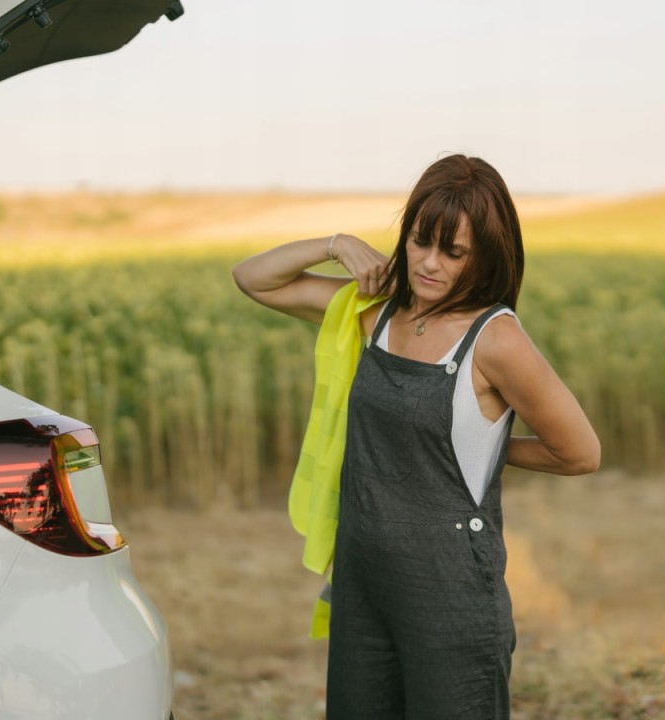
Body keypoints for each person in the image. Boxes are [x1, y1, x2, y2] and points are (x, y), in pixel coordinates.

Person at [232, 153, 601, 720]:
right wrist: (337, 243)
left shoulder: (494, 341)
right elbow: (253, 278)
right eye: (420, 241)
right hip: (363, 582)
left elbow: (578, 452)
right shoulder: (374, 314)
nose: (429, 264)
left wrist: (480, 450)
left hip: (450, 591)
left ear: (485, 256)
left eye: (453, 253)